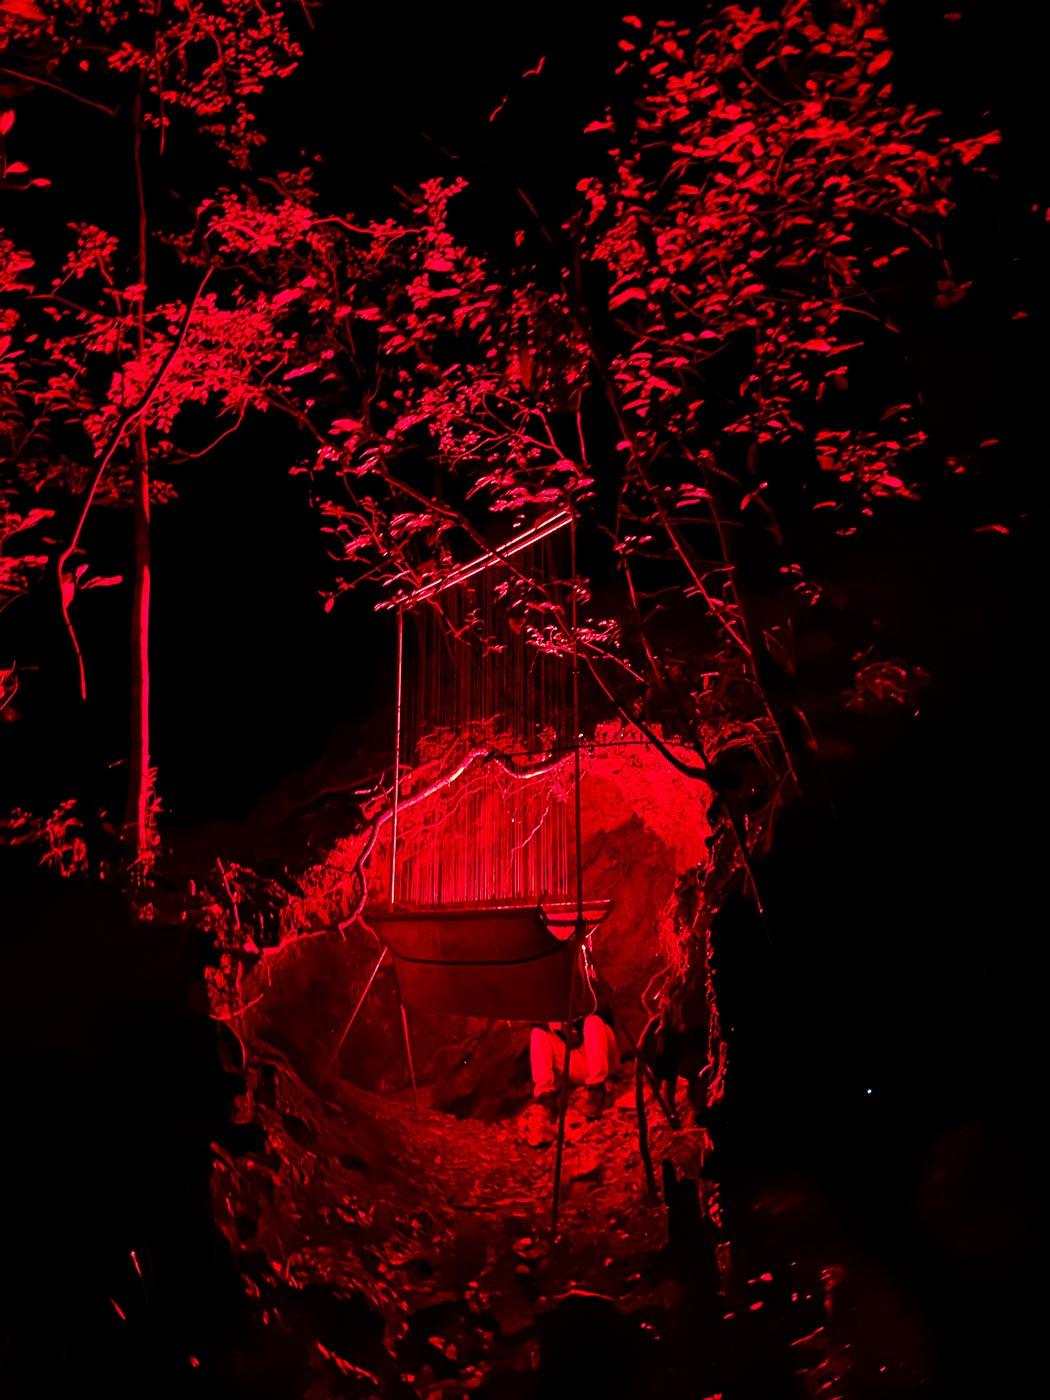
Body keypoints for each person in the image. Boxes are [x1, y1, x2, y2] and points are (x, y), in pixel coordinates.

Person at [530, 1004, 618, 1120]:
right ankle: (546, 1098)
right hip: (574, 1060)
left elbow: (603, 1008)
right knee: (538, 1033)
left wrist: (576, 1023)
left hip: (601, 1056)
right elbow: (531, 1016)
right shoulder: (548, 992)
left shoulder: (593, 987)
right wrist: (557, 1026)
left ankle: (597, 1089)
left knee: (593, 1021)